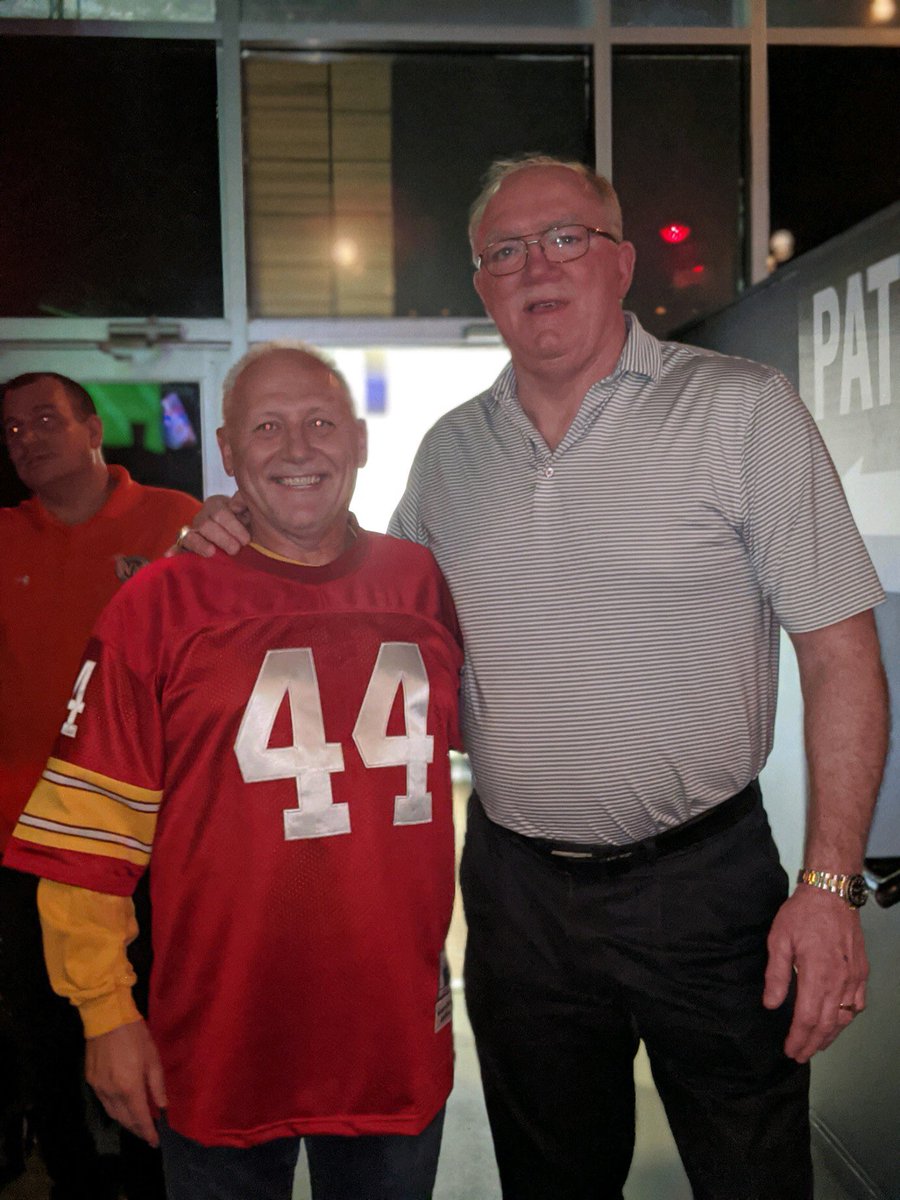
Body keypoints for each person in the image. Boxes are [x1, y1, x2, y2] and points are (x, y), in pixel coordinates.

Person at [184, 159, 889, 1200]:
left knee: (753, 1173)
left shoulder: (740, 412)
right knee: (551, 1180)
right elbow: (359, 612)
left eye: (565, 238)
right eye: (505, 252)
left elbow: (842, 653)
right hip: (516, 898)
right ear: (482, 285)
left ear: (622, 263)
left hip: (706, 884)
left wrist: (828, 887)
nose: (536, 266)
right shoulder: (450, 453)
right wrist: (239, 539)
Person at [4, 344, 463, 1200]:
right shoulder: (159, 602)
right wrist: (106, 1014)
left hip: (392, 1033)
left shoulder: (420, 581)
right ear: (227, 449)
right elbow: (88, 840)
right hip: (222, 1038)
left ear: (359, 441)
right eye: (267, 427)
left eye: (321, 423)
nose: (298, 448)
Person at [0, 371, 200, 1200]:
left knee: (157, 1025)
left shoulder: (178, 524)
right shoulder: (3, 538)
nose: (28, 439)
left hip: (153, 838)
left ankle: (163, 1178)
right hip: (25, 838)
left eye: (47, 419)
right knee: (47, 1040)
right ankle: (74, 1181)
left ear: (93, 431)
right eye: (11, 429)